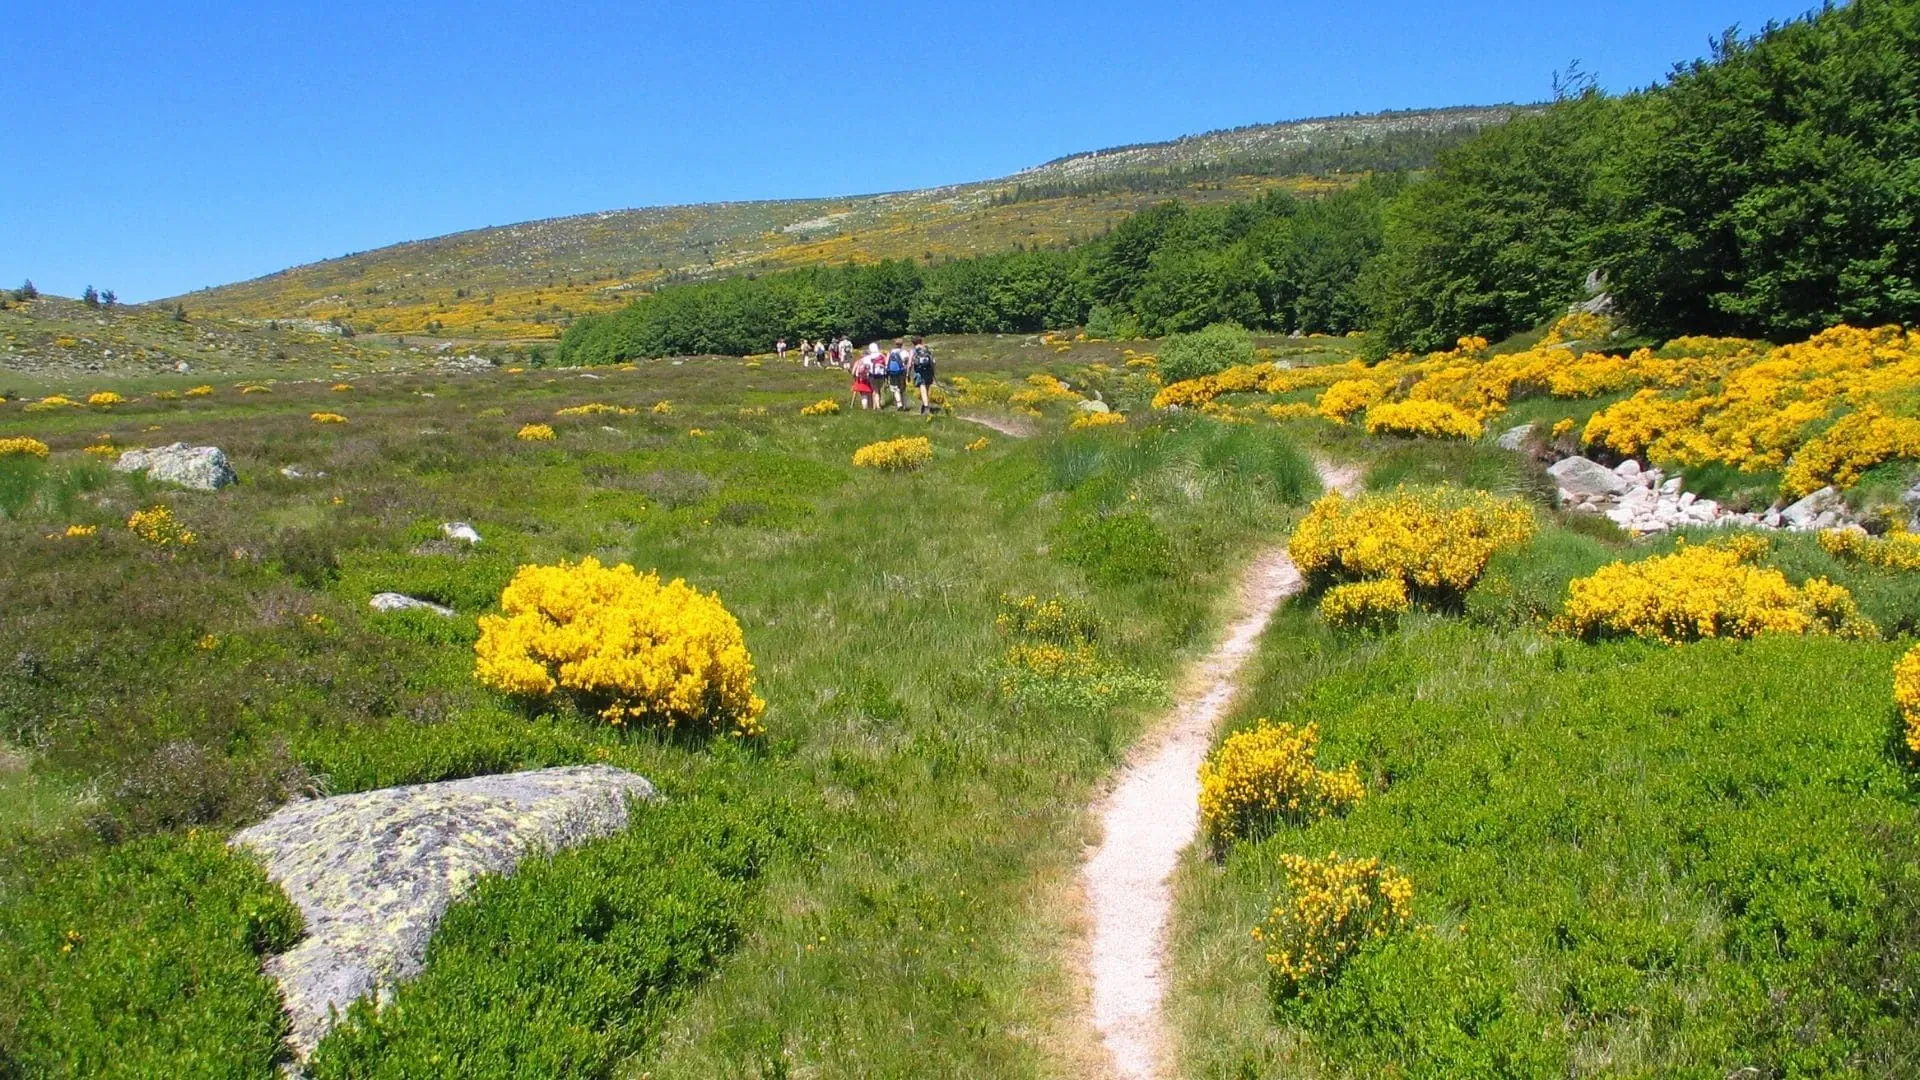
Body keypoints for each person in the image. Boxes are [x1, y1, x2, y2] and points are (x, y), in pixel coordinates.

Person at [911, 336, 937, 414]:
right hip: (929, 371)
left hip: (919, 371)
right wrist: (933, 371)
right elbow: (934, 361)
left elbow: (909, 363)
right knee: (927, 388)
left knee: (922, 388)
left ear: (913, 343)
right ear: (921, 341)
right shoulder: (927, 349)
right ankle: (925, 405)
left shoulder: (913, 350)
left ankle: (926, 407)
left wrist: (907, 374)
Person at [851, 344, 878, 409]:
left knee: (863, 395)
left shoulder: (859, 361)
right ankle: (871, 408)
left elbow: (853, 372)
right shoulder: (871, 361)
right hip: (870, 378)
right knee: (870, 393)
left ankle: (865, 409)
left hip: (860, 380)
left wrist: (855, 378)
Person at [884, 338, 908, 410]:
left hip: (892, 372)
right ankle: (904, 405)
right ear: (902, 344)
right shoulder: (905, 352)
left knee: (895, 388)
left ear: (895, 344)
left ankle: (899, 403)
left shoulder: (890, 352)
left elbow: (886, 362)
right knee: (902, 388)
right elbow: (907, 363)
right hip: (901, 372)